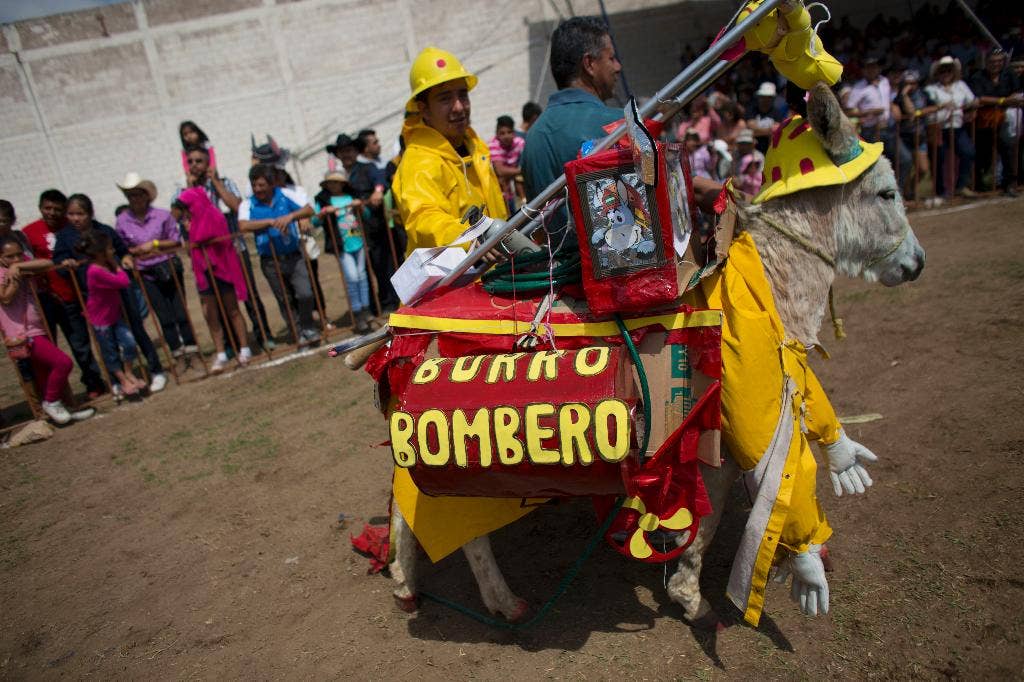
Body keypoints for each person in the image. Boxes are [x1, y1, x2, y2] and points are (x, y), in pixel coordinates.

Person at [392, 46, 508, 252]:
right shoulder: (418, 162)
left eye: (463, 95)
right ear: (423, 109)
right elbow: (424, 219)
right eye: (445, 98)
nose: (459, 107)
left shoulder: (475, 146)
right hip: (455, 280)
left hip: (491, 271)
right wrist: (473, 240)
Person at [53, 193, 168, 394]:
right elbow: (59, 266)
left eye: (79, 213)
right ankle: (118, 380)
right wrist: (66, 264)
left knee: (135, 331)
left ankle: (155, 370)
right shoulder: (64, 237)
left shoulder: (104, 231)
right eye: (71, 214)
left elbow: (123, 250)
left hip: (120, 293)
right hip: (95, 298)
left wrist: (125, 259)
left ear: (90, 214)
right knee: (107, 342)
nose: (75, 218)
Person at [521, 16, 623, 242]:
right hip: (617, 274)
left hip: (555, 274)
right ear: (589, 64)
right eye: (611, 58)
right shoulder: (617, 125)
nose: (618, 67)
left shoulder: (533, 137)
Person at [175, 145, 271, 353]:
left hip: (233, 249)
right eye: (190, 162)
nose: (194, 166)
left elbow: (238, 207)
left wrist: (215, 182)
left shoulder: (225, 183)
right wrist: (190, 191)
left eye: (199, 161)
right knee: (216, 302)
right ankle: (230, 344)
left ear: (209, 163)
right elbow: (179, 221)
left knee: (249, 295)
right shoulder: (183, 193)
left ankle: (263, 336)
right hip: (206, 256)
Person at [0, 237, 95, 424]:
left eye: (19, 254)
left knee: (45, 372)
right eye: (10, 257)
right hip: (22, 333)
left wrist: (18, 267)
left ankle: (62, 406)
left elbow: (47, 263)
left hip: (37, 327)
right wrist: (15, 279)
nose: (16, 259)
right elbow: (5, 298)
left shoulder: (21, 266)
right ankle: (51, 402)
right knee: (63, 363)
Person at [22, 189, 106, 397]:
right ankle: (57, 393)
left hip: (74, 295)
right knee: (49, 348)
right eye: (47, 208)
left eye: (57, 209)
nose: (51, 213)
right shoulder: (28, 233)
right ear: (40, 207)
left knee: (81, 344)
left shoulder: (71, 229)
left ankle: (93, 382)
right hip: (46, 298)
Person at [114, 173, 199, 361]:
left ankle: (192, 349)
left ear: (146, 195)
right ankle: (177, 352)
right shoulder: (122, 221)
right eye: (130, 195)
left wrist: (154, 244)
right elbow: (120, 248)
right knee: (164, 316)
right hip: (145, 272)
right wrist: (130, 253)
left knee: (180, 311)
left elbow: (176, 241)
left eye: (137, 194)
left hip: (169, 267)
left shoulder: (162, 216)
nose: (134, 199)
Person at [238, 163, 320, 346]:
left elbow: (309, 209)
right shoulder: (248, 203)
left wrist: (290, 217)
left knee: (305, 293)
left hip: (294, 255)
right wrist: (268, 221)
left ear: (271, 184)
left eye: (261, 185)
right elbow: (243, 225)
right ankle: (298, 334)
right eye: (254, 185)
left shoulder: (284, 194)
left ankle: (308, 327)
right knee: (284, 299)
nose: (257, 189)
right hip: (269, 261)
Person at [174, 188, 252, 372]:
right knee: (210, 313)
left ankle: (244, 348)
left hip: (222, 268)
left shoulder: (213, 214)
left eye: (187, 206)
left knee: (232, 309)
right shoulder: (188, 222)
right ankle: (221, 353)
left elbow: (209, 237)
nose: (186, 211)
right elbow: (189, 247)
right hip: (203, 271)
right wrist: (189, 231)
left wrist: (192, 231)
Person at [328, 133, 400, 308]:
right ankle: (369, 306)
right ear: (337, 154)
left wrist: (377, 191)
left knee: (382, 265)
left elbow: (380, 180)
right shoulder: (337, 176)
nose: (346, 155)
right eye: (342, 151)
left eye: (349, 150)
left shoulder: (367, 169)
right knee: (360, 273)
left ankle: (389, 301)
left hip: (373, 227)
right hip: (351, 232)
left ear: (356, 151)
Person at [76, 231, 147, 396]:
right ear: (100, 252)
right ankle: (122, 380)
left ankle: (128, 372)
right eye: (109, 249)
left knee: (129, 343)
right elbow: (123, 281)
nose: (113, 251)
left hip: (113, 315)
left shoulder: (103, 266)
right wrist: (116, 266)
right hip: (100, 319)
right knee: (109, 351)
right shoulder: (95, 271)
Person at [313, 170, 373, 333]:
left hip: (358, 241)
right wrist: (324, 213)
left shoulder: (350, 197)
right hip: (341, 245)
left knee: (362, 275)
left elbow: (366, 215)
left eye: (337, 182)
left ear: (343, 184)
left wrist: (359, 206)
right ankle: (357, 311)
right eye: (331, 182)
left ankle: (366, 309)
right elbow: (315, 220)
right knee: (352, 277)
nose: (334, 185)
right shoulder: (323, 200)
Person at [968, 49, 1023, 196]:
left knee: (1008, 150)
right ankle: (979, 185)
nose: (996, 64)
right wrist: (1003, 100)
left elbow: (1016, 93)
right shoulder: (978, 77)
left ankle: (1009, 184)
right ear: (987, 62)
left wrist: (1002, 102)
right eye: (993, 61)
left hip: (1005, 119)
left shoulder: (1009, 74)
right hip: (984, 122)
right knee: (982, 155)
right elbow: (979, 98)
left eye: (999, 61)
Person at [925, 56, 978, 198]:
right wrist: (944, 108)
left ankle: (961, 186)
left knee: (968, 152)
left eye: (949, 70)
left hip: (957, 127)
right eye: (943, 71)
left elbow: (973, 101)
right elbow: (928, 110)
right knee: (939, 160)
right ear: (937, 73)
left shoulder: (960, 85)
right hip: (939, 128)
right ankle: (940, 191)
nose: (946, 74)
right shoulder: (931, 89)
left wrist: (970, 110)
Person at [488, 115, 527, 214]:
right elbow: (500, 171)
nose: (506, 136)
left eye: (509, 132)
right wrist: (521, 170)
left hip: (513, 189)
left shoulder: (519, 142)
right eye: (502, 133)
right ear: (497, 134)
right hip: (499, 192)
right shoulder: (493, 145)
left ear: (514, 133)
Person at [746, 81, 787, 153]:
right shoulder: (752, 110)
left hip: (770, 149)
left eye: (768, 97)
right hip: (753, 150)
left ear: (773, 99)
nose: (765, 100)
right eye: (763, 97)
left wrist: (759, 131)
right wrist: (769, 130)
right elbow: (751, 130)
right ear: (758, 97)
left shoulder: (777, 113)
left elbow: (776, 132)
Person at [732, 128, 765, 196]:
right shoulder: (735, 154)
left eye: (746, 144)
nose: (744, 146)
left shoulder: (758, 157)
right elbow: (732, 172)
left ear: (752, 144)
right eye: (742, 143)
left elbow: (759, 178)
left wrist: (742, 180)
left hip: (752, 190)